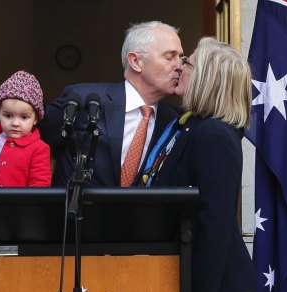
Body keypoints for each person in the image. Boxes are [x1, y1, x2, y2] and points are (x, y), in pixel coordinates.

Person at [144, 37, 258, 292]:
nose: (180, 67)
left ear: (208, 77)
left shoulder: (214, 135)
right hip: (200, 285)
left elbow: (214, 221)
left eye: (188, 63)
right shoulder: (192, 125)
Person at [39, 21, 184, 187]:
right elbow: (31, 142)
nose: (179, 66)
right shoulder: (83, 100)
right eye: (169, 57)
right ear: (136, 61)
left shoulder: (175, 120)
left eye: (181, 57)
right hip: (79, 211)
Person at [0, 70, 51, 187]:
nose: (15, 123)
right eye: (8, 116)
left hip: (14, 203)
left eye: (24, 117)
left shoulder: (39, 148)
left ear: (35, 119)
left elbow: (40, 184)